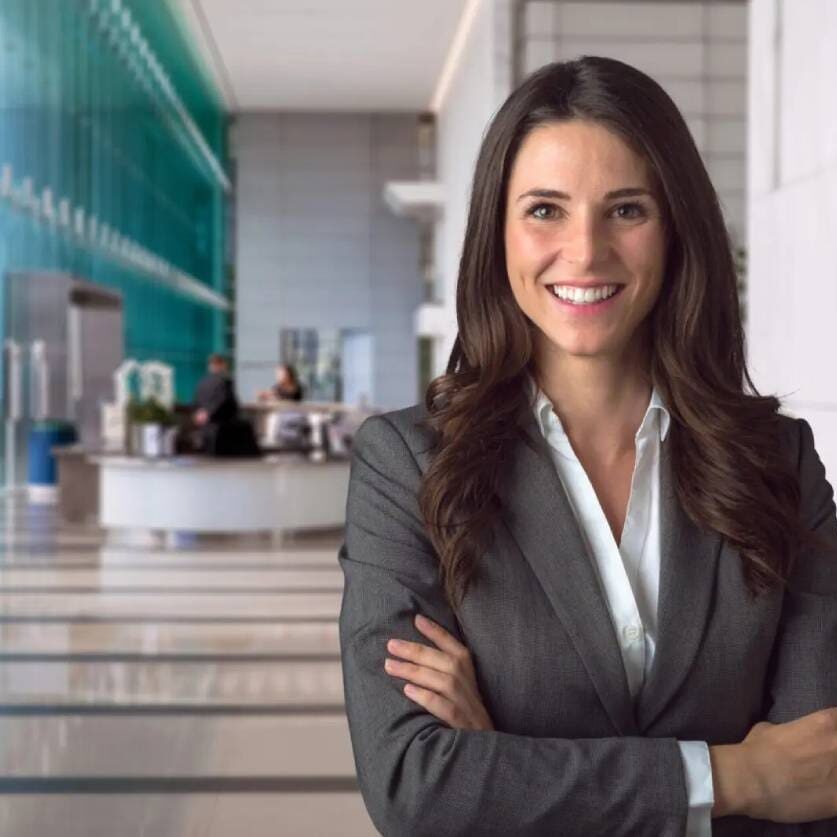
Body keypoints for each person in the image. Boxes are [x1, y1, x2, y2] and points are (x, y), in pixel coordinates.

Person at [337, 56, 837, 836]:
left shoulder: (779, 462)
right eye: (544, 210)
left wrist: (506, 760)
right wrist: (734, 774)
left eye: (626, 210)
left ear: (675, 228)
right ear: (496, 232)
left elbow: (817, 775)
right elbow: (416, 783)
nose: (584, 251)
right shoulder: (407, 466)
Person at [193, 354, 258, 456]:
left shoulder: (202, 383)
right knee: (246, 425)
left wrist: (203, 413)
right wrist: (211, 413)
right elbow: (227, 402)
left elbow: (196, 402)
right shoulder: (225, 381)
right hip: (222, 423)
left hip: (206, 423)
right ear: (221, 365)